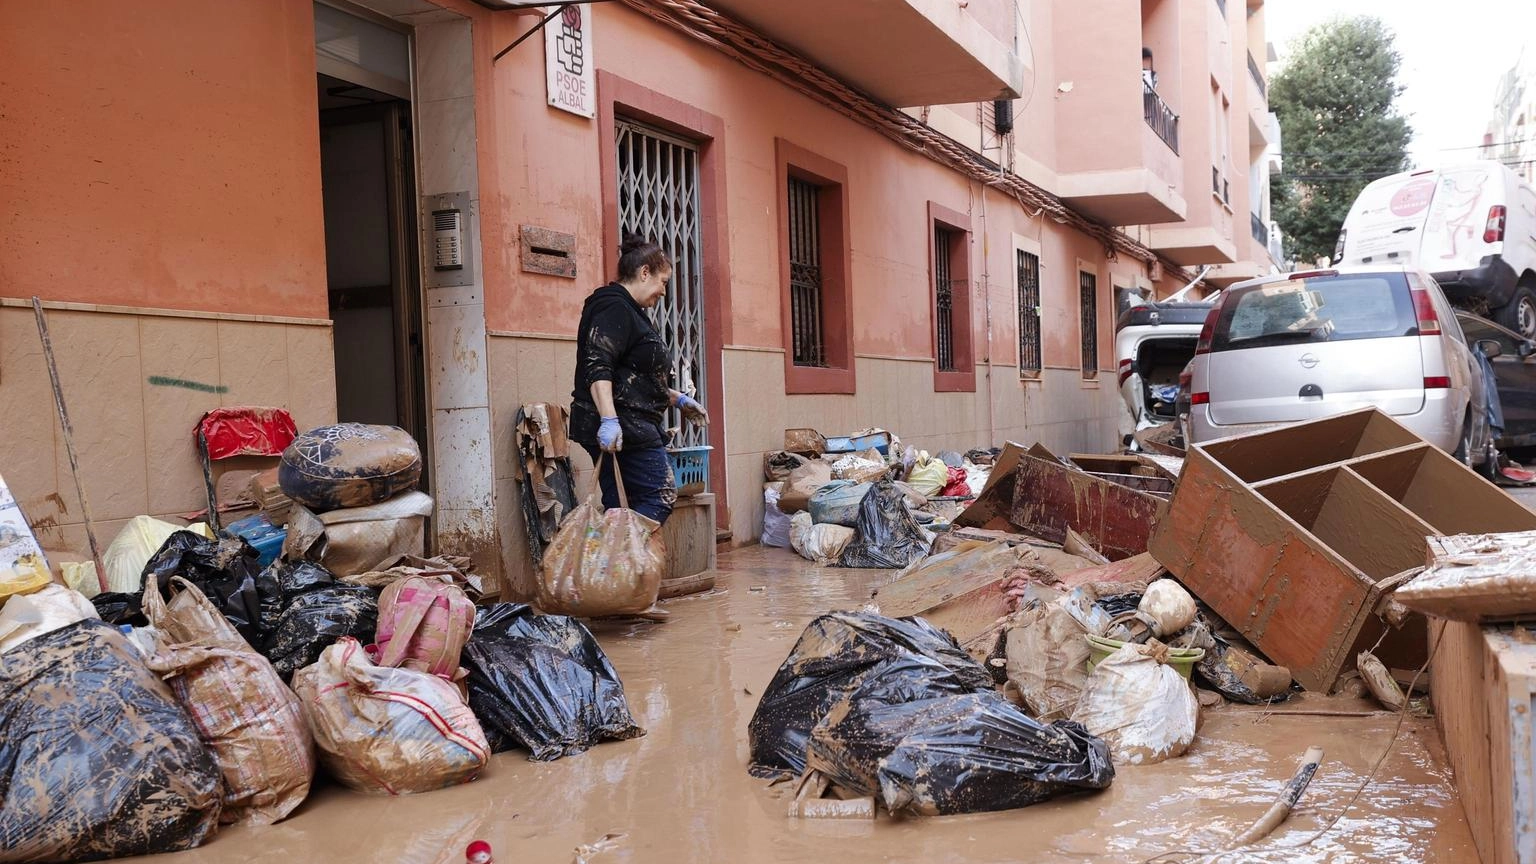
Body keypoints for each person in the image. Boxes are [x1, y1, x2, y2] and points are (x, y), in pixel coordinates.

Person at [569, 234, 709, 526]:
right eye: (664, 282)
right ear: (645, 272)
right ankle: (616, 562)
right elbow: (597, 365)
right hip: (625, 426)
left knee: (623, 503)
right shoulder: (613, 306)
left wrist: (677, 399)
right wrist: (609, 420)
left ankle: (617, 565)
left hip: (630, 423)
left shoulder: (631, 310)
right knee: (659, 495)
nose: (664, 292)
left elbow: (631, 376)